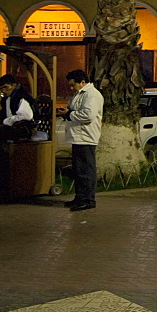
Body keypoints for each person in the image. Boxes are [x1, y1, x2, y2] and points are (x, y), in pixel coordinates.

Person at [56, 69, 104, 212]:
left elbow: (88, 115)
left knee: (86, 170)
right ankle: (80, 197)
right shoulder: (79, 94)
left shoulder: (92, 95)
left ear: (83, 82)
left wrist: (70, 114)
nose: (71, 88)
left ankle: (88, 199)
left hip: (86, 136)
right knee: (78, 169)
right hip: (77, 136)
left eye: (73, 85)